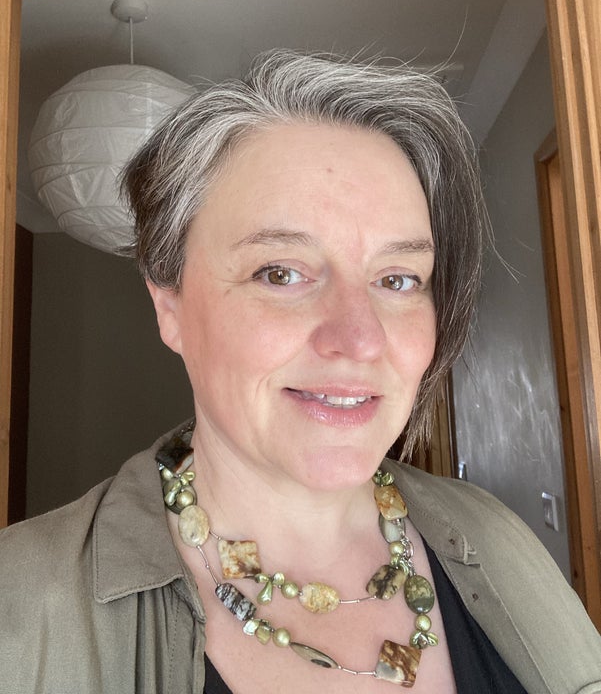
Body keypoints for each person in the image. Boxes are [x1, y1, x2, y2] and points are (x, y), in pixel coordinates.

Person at [1, 50, 600, 694]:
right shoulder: (21, 607)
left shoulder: (498, 536)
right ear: (169, 307)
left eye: (398, 279)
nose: (361, 339)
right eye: (281, 272)